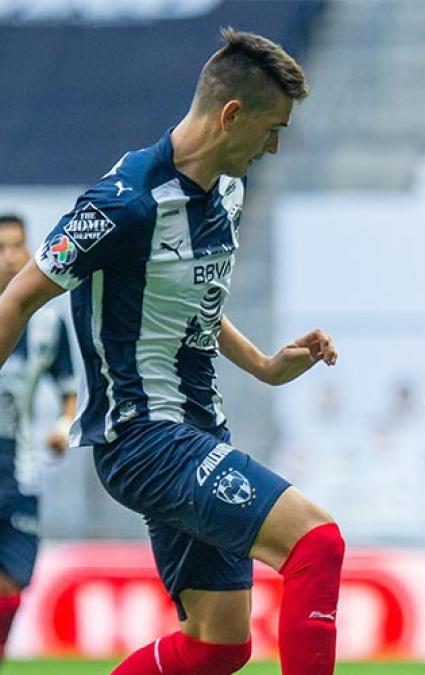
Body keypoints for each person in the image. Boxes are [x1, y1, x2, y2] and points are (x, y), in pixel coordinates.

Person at [0, 30, 344, 675]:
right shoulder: (122, 203)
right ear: (232, 115)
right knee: (316, 544)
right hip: (142, 438)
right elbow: (18, 298)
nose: (273, 148)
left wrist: (268, 367)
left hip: (198, 429)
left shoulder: (227, 193)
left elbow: (191, 308)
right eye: (272, 130)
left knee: (219, 647)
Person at [0, 213, 76, 663]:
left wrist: (62, 429)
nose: (11, 258)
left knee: (11, 586)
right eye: (2, 248)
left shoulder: (48, 325)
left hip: (18, 468)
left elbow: (68, 393)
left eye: (18, 247)